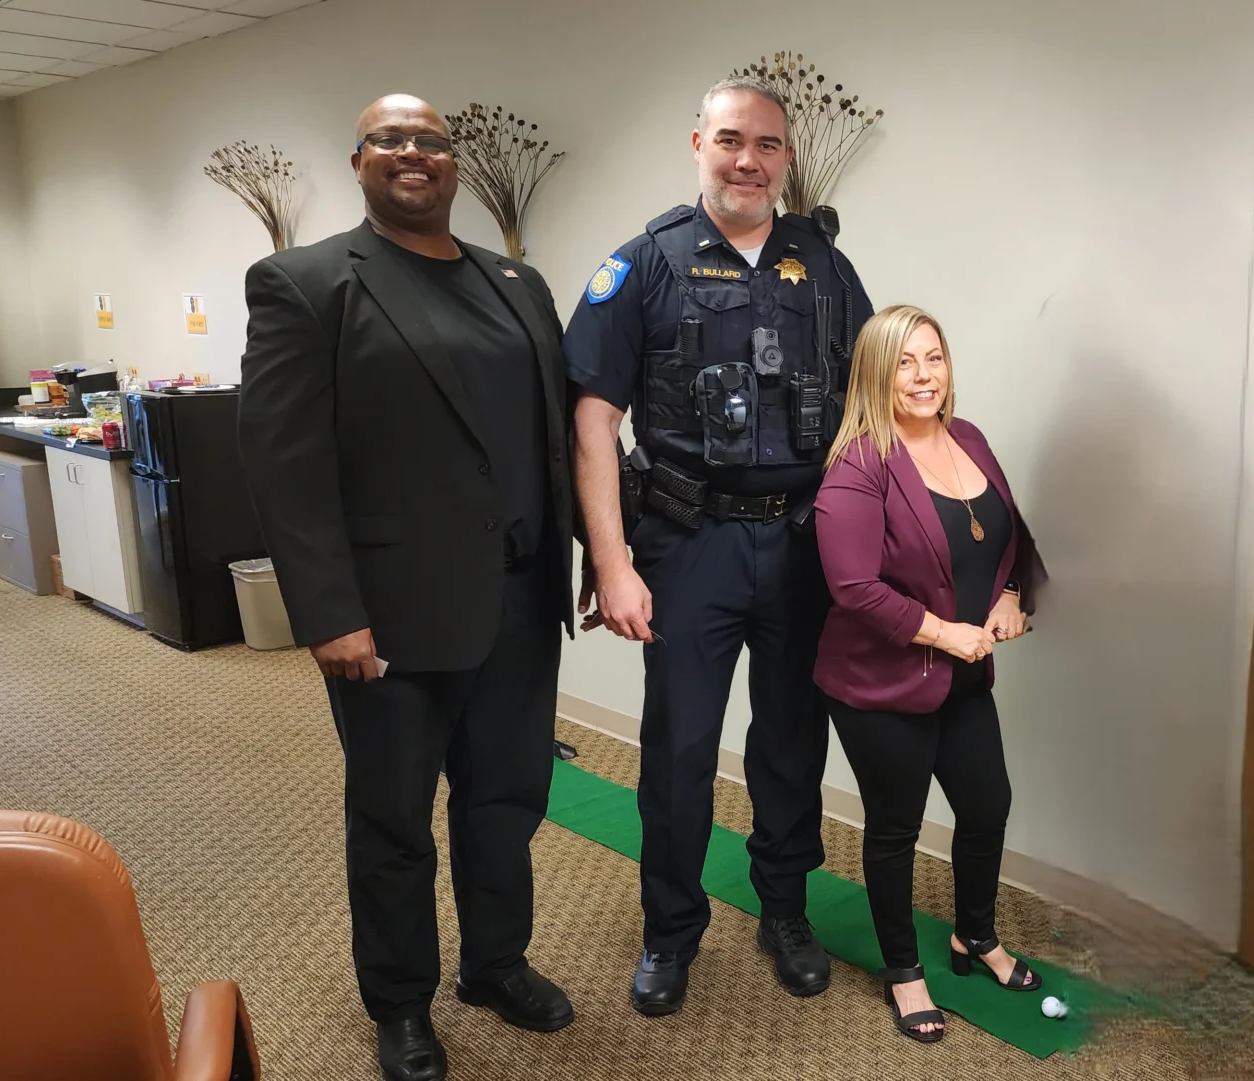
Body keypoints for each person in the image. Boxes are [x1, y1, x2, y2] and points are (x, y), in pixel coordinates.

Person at [238, 94, 578, 1081]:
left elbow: (552, 437)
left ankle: (495, 963)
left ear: (453, 162)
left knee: (506, 798)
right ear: (359, 161)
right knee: (393, 820)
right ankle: (400, 1003)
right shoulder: (307, 283)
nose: (413, 152)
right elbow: (283, 464)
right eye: (390, 140)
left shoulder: (516, 282)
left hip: (519, 597)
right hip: (390, 614)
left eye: (430, 139)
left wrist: (600, 553)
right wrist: (329, 610)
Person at [564, 76, 872, 1016]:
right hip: (687, 541)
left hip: (801, 544)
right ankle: (670, 930)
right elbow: (591, 420)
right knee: (680, 748)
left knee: (791, 743)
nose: (748, 161)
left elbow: (869, 405)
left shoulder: (825, 266)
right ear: (697, 143)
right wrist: (612, 562)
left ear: (786, 159)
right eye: (731, 140)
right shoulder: (643, 264)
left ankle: (785, 910)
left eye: (767, 145)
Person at [812, 305, 1047, 1042]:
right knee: (896, 829)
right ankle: (905, 970)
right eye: (904, 362)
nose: (923, 376)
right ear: (876, 375)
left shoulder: (967, 436)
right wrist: (946, 633)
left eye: (933, 358)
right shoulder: (859, 464)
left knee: (987, 807)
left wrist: (1011, 594)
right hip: (882, 686)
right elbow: (853, 587)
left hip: (961, 677)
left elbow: (1005, 536)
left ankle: (974, 934)